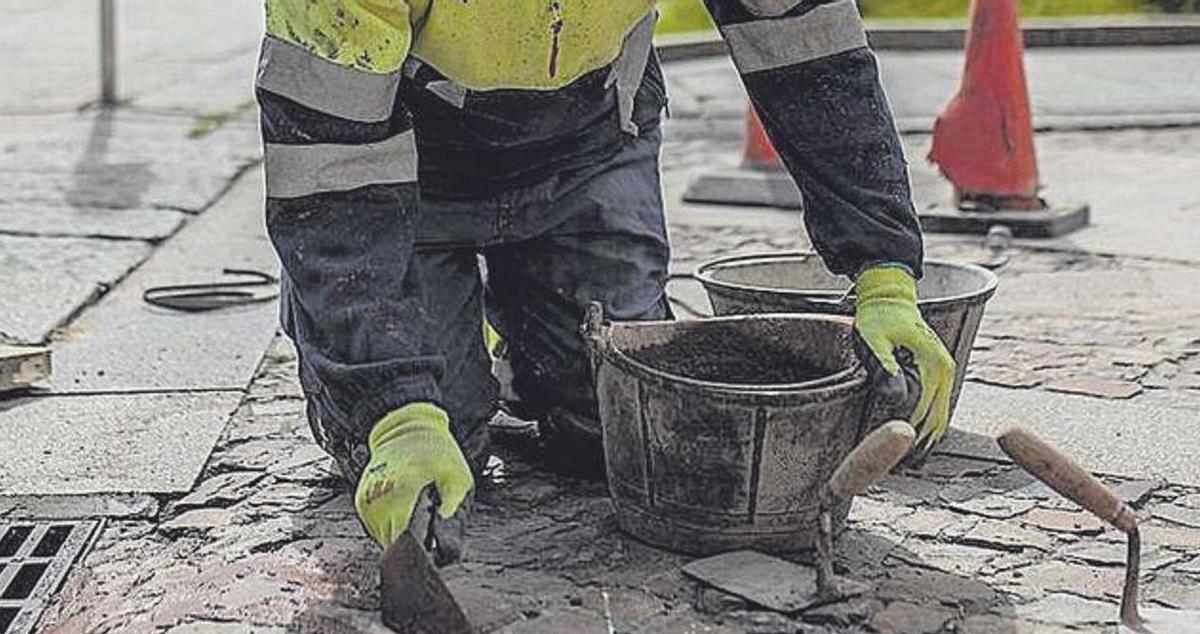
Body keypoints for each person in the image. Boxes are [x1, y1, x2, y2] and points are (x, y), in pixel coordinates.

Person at [254, 0, 956, 552]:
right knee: (436, 450)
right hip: (403, 172)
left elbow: (809, 46)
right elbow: (329, 178)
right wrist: (394, 407)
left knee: (618, 431)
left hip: (588, 143)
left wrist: (884, 272)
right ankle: (380, 374)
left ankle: (520, 341)